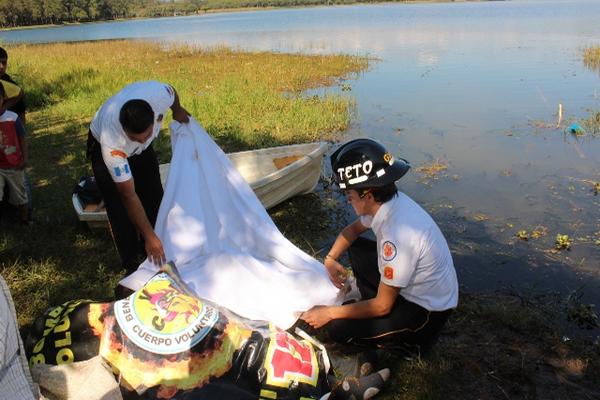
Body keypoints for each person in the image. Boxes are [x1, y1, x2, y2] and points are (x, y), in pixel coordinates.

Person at [301, 138, 458, 351]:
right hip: (411, 286)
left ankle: (411, 342)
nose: (348, 200)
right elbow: (352, 231)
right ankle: (366, 299)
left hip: (426, 311)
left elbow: (382, 306)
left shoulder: (398, 234)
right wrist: (330, 259)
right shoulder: (387, 202)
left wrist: (328, 312)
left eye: (350, 195)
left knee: (338, 329)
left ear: (368, 194)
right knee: (356, 246)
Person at [87, 81, 189, 277]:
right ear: (125, 130)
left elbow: (172, 93)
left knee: (153, 194)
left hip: (138, 149)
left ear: (153, 117)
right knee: (119, 207)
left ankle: (161, 246)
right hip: (103, 144)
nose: (143, 140)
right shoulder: (113, 145)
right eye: (136, 138)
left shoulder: (159, 95)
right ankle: (133, 262)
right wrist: (149, 236)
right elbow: (129, 195)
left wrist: (178, 110)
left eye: (147, 134)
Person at [0, 83, 29, 225]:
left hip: (14, 165)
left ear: (3, 98)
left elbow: (22, 137)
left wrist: (25, 158)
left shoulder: (12, 117)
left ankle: (24, 220)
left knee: (20, 196)